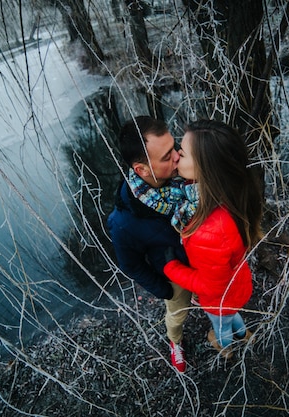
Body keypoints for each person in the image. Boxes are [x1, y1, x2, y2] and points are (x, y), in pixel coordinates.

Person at [164, 119, 263, 359]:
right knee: (231, 315)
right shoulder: (228, 196)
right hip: (236, 285)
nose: (176, 156)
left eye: (183, 154)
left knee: (220, 325)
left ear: (206, 169)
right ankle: (244, 333)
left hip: (220, 297)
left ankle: (225, 347)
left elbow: (211, 286)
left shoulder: (209, 230)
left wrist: (171, 267)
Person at [106, 116, 192, 372]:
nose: (178, 156)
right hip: (176, 272)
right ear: (142, 170)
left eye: (175, 147)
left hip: (203, 259)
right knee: (178, 313)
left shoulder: (189, 175)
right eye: (167, 157)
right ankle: (175, 341)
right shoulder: (123, 222)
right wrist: (164, 290)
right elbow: (130, 265)